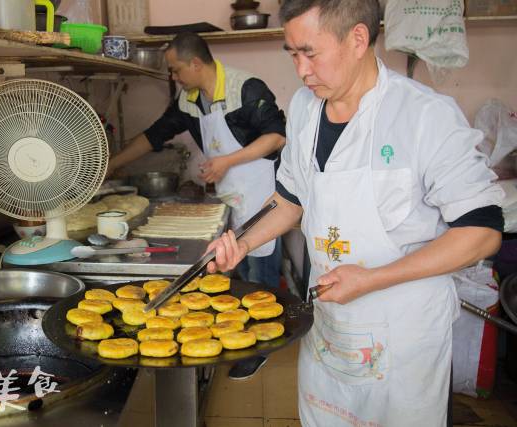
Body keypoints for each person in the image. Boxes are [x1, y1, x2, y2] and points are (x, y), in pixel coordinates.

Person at [206, 0, 505, 425]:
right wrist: (243, 242)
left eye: (310, 52)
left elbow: (483, 230)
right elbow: (291, 198)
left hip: (402, 337)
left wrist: (373, 279)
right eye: (292, 54)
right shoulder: (307, 110)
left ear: (358, 39)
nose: (301, 71)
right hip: (330, 330)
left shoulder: (424, 116)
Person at [107, 32, 286, 289]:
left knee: (260, 282)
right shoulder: (188, 100)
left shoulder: (245, 88)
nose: (174, 77)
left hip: (262, 198)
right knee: (240, 274)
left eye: (176, 70)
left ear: (196, 64)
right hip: (230, 199)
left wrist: (226, 161)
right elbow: (154, 135)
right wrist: (113, 164)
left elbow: (277, 137)